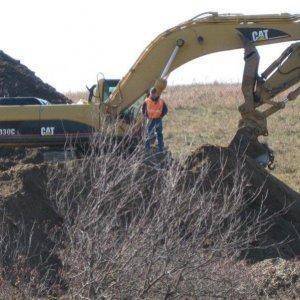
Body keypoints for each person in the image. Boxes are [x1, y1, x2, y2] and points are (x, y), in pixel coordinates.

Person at [142, 87, 168, 153]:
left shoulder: (161, 101)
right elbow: (143, 110)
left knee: (159, 134)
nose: (153, 95)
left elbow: (165, 110)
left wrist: (161, 116)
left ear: (156, 94)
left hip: (158, 120)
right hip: (150, 120)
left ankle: (160, 149)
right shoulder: (147, 101)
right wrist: (147, 116)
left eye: (154, 94)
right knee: (149, 134)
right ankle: (147, 149)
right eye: (152, 94)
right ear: (150, 94)